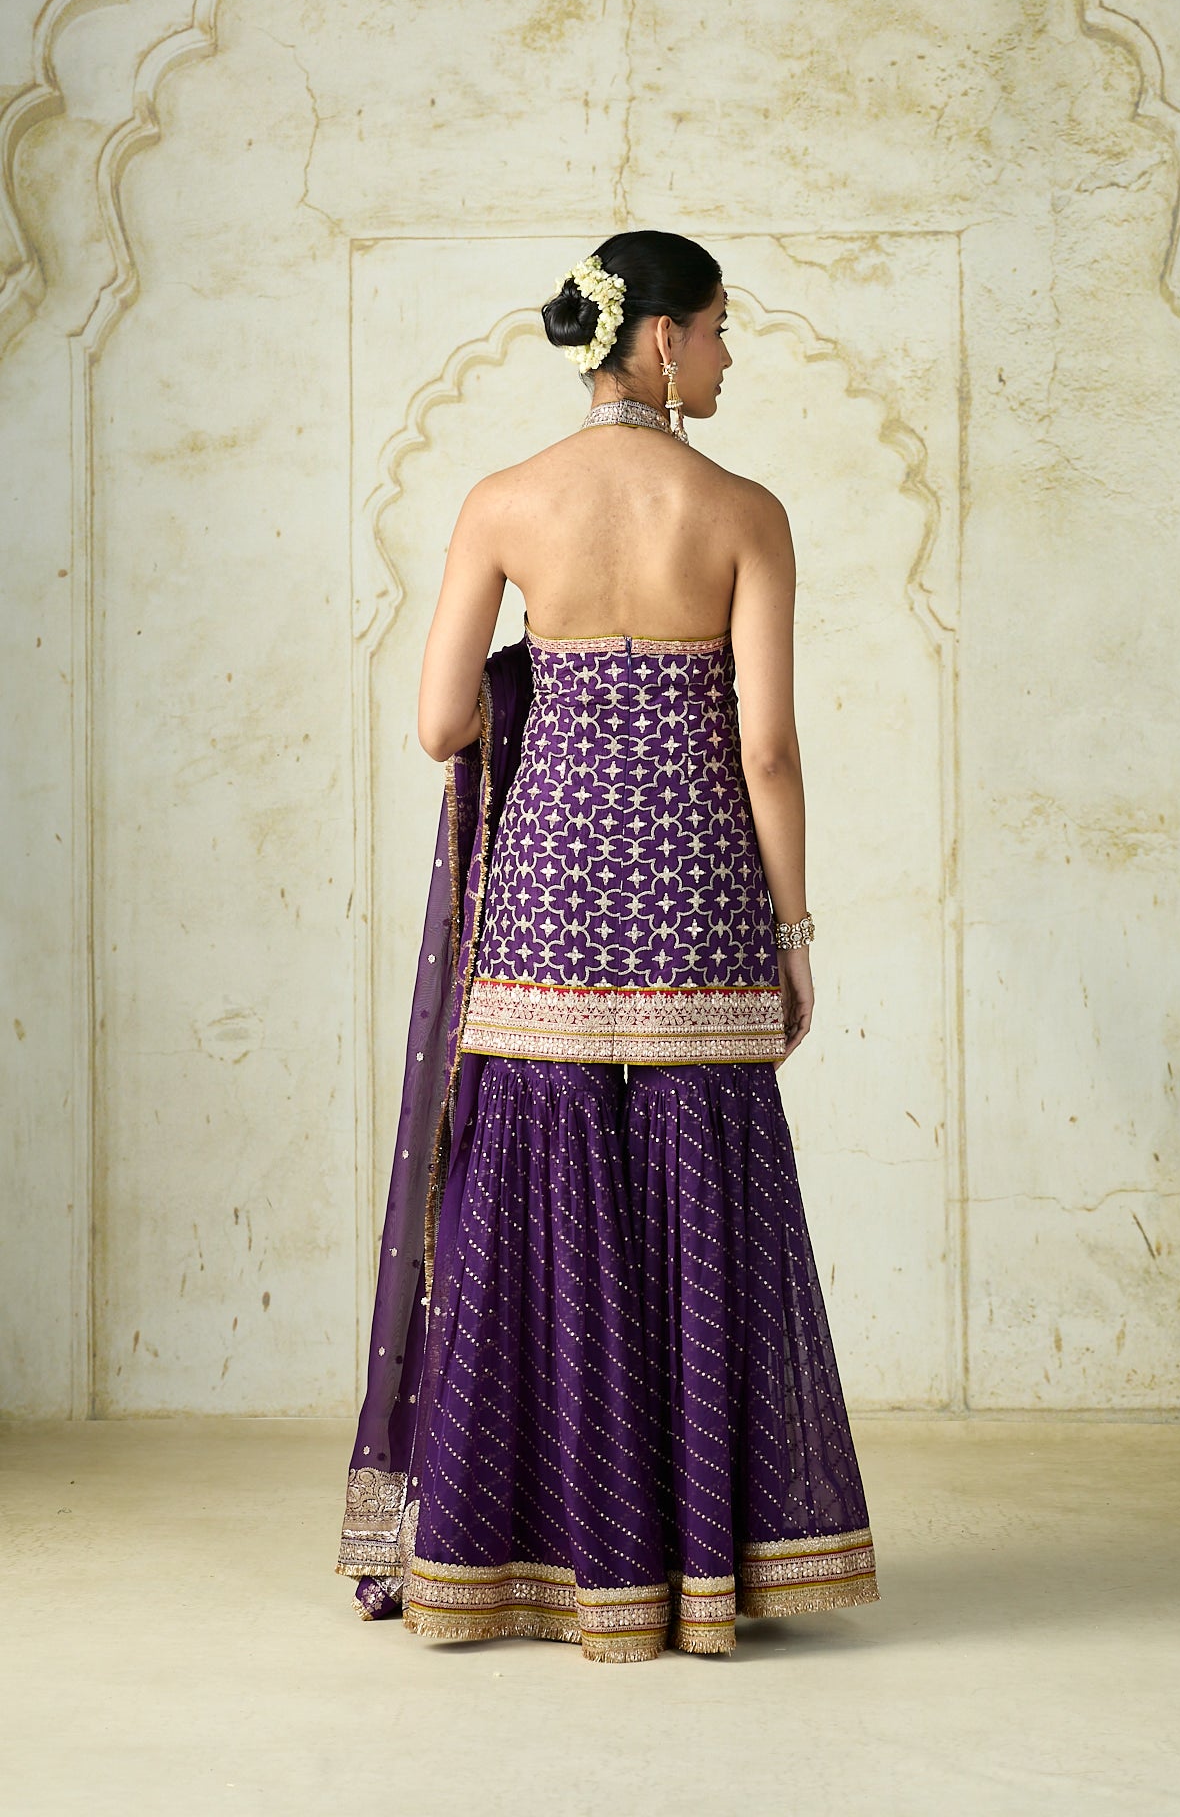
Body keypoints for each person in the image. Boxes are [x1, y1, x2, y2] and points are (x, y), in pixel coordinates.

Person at [335, 230, 879, 1662]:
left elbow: (441, 725)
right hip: (700, 899)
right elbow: (767, 748)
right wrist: (794, 932)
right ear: (658, 339)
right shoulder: (745, 512)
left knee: (540, 1206)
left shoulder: (504, 501)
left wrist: (558, 691)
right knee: (702, 1202)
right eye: (718, 328)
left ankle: (537, 1562)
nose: (726, 355)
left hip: (551, 898)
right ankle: (699, 1579)